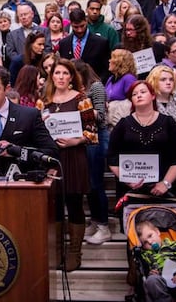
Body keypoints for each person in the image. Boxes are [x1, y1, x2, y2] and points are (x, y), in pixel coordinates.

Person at [36, 58, 97, 271]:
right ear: (51, 76)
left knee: (74, 204)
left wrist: (77, 140)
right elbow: (36, 132)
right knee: (54, 208)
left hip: (74, 156)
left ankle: (74, 253)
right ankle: (57, 251)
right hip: (51, 158)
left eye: (65, 73)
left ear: (71, 77)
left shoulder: (82, 99)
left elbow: (92, 130)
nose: (61, 77)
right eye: (57, 73)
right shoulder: (43, 101)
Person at [107, 81, 176, 200]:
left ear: (153, 96)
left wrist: (165, 183)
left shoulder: (168, 122)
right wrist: (127, 180)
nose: (138, 95)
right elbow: (112, 157)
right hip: (131, 190)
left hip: (163, 189)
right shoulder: (123, 124)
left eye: (143, 92)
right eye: (134, 94)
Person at [146, 66, 176, 224]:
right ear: (154, 81)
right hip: (160, 160)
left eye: (170, 79)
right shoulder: (149, 105)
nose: (168, 82)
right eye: (163, 79)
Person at [73, 60, 111, 245]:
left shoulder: (95, 86)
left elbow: (101, 116)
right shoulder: (75, 89)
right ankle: (95, 221)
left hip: (95, 136)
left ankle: (104, 225)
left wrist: (81, 108)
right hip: (79, 135)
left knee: (96, 183)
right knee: (88, 184)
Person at [58, 8, 110, 82]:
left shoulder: (101, 43)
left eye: (82, 26)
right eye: (76, 27)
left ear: (86, 21)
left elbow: (106, 69)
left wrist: (98, 84)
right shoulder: (64, 44)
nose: (80, 30)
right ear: (71, 24)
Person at [105, 49, 137, 128]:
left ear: (119, 62)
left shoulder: (129, 79)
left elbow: (133, 102)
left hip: (121, 124)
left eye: (112, 58)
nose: (109, 60)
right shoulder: (111, 79)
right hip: (109, 122)